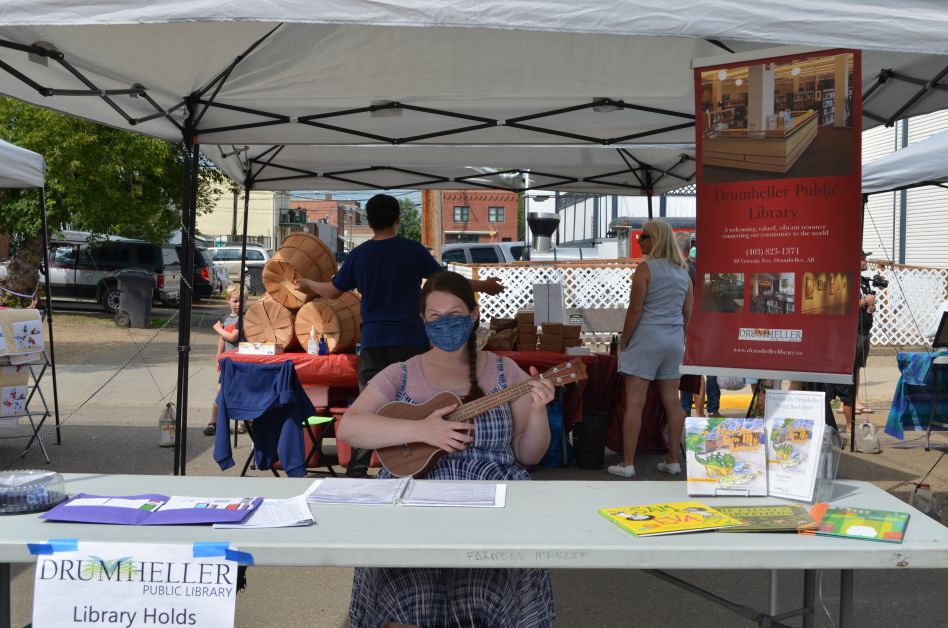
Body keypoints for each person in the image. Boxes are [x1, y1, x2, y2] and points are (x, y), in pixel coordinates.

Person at [338, 270, 555, 627]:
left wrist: (538, 410)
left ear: (473, 315)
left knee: (493, 591)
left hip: (492, 514)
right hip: (411, 512)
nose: (445, 324)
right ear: (423, 321)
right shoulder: (401, 374)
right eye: (435, 317)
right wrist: (422, 429)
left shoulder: (506, 372)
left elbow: (529, 454)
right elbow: (350, 427)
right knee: (401, 597)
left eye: (455, 315)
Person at [295, 193, 504, 477]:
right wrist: (483, 285)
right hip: (410, 341)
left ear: (369, 222)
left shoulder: (360, 255)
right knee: (416, 406)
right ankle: (414, 465)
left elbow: (332, 291)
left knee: (368, 406)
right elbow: (445, 281)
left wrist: (307, 283)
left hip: (373, 343)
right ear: (397, 219)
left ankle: (357, 471)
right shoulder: (412, 250)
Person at [609, 220, 693, 478]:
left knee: (634, 402)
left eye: (643, 237)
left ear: (654, 239)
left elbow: (636, 310)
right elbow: (687, 310)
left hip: (646, 337)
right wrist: (682, 336)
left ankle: (628, 463)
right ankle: (672, 460)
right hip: (673, 339)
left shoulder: (645, 269)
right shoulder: (683, 270)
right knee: (672, 401)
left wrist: (625, 341)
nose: (639, 241)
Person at [825, 250, 876, 433]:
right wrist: (864, 301)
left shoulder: (864, 281)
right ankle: (846, 409)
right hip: (849, 335)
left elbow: (865, 304)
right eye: (862, 258)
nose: (865, 261)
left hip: (863, 332)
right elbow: (841, 305)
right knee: (848, 372)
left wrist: (870, 307)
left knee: (857, 367)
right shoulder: (845, 279)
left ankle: (855, 399)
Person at [204, 284, 244, 436]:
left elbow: (233, 336)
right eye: (235, 301)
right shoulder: (226, 319)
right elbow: (223, 339)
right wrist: (218, 357)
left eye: (241, 301)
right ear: (228, 300)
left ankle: (244, 422)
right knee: (220, 392)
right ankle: (214, 422)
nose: (238, 304)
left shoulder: (244, 319)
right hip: (227, 362)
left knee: (241, 392)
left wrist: (218, 328)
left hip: (240, 362)